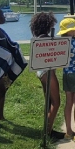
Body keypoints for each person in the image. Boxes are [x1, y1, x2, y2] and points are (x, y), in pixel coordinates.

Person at [29, 12, 63, 141]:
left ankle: (49, 129)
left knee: (49, 102)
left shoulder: (38, 37)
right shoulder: (46, 38)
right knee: (56, 102)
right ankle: (47, 132)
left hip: (41, 71)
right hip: (47, 72)